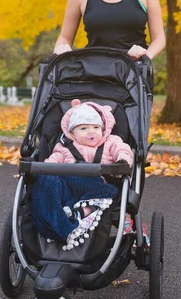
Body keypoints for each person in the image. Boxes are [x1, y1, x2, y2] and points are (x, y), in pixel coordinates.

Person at [32, 99, 133, 251]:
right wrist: (42, 169)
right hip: (68, 190)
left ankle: (83, 211)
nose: (91, 131)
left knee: (97, 184)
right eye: (83, 128)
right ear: (72, 133)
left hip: (97, 186)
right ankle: (65, 226)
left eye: (95, 127)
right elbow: (51, 163)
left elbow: (122, 150)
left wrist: (122, 159)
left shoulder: (111, 142)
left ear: (103, 128)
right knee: (48, 177)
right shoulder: (64, 147)